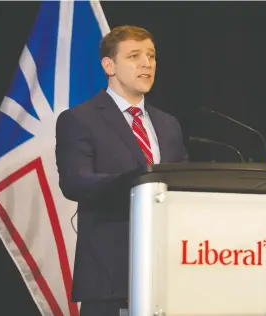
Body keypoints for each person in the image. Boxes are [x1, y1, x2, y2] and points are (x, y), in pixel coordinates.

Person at [55, 25, 189, 316]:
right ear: (109, 65)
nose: (146, 64)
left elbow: (183, 186)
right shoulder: (79, 119)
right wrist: (138, 183)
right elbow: (76, 182)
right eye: (134, 56)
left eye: (151, 56)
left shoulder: (168, 124)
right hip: (110, 275)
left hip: (169, 274)